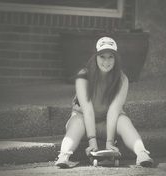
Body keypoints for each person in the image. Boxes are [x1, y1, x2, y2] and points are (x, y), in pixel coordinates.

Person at [55, 36, 153, 168]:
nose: (106, 61)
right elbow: (87, 110)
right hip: (83, 121)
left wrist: (110, 142)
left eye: (110, 57)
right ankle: (63, 156)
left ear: (116, 59)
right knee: (77, 121)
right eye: (102, 56)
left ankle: (142, 153)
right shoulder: (83, 76)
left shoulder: (122, 79)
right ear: (95, 57)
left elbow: (114, 110)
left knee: (124, 120)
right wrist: (92, 141)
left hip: (107, 124)